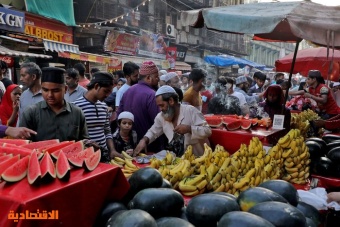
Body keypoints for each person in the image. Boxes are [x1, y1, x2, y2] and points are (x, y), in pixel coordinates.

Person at [133, 85, 211, 157]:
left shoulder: (190, 110)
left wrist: (189, 129)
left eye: (162, 105)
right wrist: (144, 140)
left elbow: (207, 130)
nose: (160, 109)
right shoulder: (161, 117)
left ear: (171, 101)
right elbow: (153, 132)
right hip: (178, 163)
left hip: (199, 160)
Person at [19, 67, 88, 142]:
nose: (50, 95)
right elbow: (24, 143)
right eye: (45, 90)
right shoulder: (31, 113)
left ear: (65, 89)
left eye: (55, 91)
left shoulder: (77, 113)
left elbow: (84, 141)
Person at [118, 61, 165, 152]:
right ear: (148, 78)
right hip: (149, 146)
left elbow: (119, 116)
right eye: (156, 77)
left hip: (130, 145)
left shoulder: (127, 91)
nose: (158, 79)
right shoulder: (152, 95)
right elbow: (159, 122)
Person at [73, 72, 115, 162]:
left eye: (110, 92)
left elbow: (107, 131)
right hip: (85, 156)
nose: (107, 95)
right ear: (96, 86)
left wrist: (112, 150)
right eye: (106, 91)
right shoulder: (76, 107)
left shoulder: (104, 106)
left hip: (103, 155)